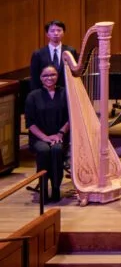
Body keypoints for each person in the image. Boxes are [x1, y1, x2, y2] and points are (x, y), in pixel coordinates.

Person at [25, 66, 70, 203]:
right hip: (39, 137)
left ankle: (56, 188)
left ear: (57, 76)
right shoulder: (33, 96)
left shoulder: (65, 93)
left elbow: (70, 118)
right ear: (40, 78)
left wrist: (60, 134)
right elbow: (30, 123)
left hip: (60, 136)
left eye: (52, 74)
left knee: (57, 150)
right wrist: (45, 137)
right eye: (45, 75)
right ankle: (43, 188)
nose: (49, 78)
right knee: (44, 150)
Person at [31, 20, 77, 91]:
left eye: (59, 30)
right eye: (52, 31)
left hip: (66, 92)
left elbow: (75, 74)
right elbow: (34, 78)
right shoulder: (38, 54)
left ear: (63, 33)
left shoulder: (70, 51)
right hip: (45, 92)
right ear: (47, 34)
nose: (56, 33)